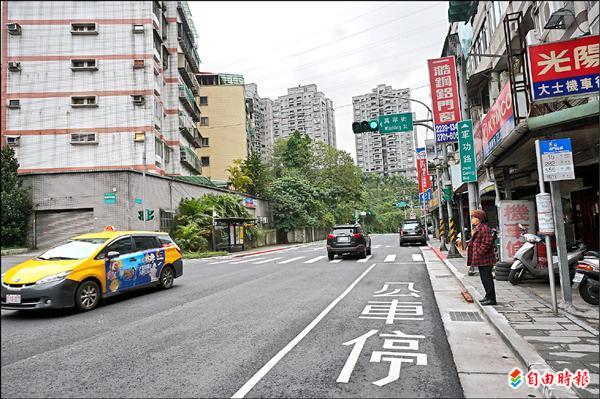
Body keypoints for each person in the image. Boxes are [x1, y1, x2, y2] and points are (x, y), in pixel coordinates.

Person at [467, 209, 497, 305]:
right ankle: (488, 296)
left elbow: (487, 243)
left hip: (485, 259)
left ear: (480, 218)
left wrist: (479, 252)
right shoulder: (479, 228)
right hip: (482, 259)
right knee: (484, 279)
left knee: (487, 279)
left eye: (474, 217)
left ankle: (491, 299)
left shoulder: (484, 228)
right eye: (472, 217)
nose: (472, 219)